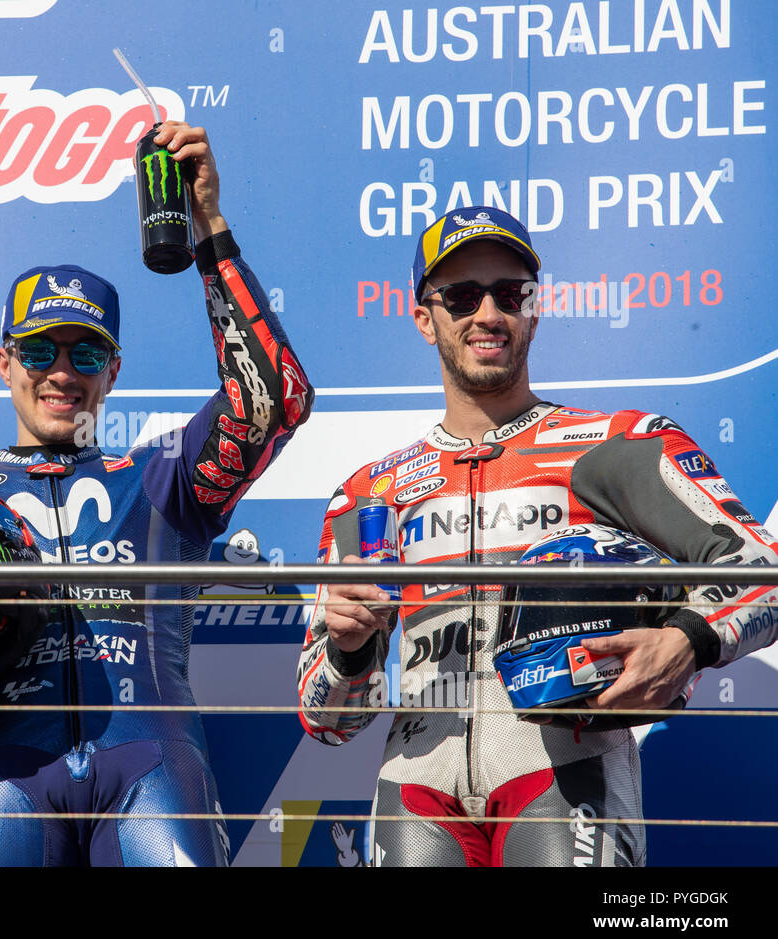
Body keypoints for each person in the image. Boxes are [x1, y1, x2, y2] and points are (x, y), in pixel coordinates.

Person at [0, 121, 314, 866]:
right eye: (39, 351)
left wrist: (209, 228)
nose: (61, 372)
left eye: (86, 353)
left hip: (152, 766)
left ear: (114, 372)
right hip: (4, 775)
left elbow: (275, 400)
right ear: (5, 362)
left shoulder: (163, 477)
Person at [297, 206, 778, 867]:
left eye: (510, 293)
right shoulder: (367, 495)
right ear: (423, 316)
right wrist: (351, 654)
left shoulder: (617, 445)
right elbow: (326, 721)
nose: (488, 314)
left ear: (536, 308)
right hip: (415, 785)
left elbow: (762, 569)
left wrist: (686, 641)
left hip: (563, 768)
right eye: (463, 296)